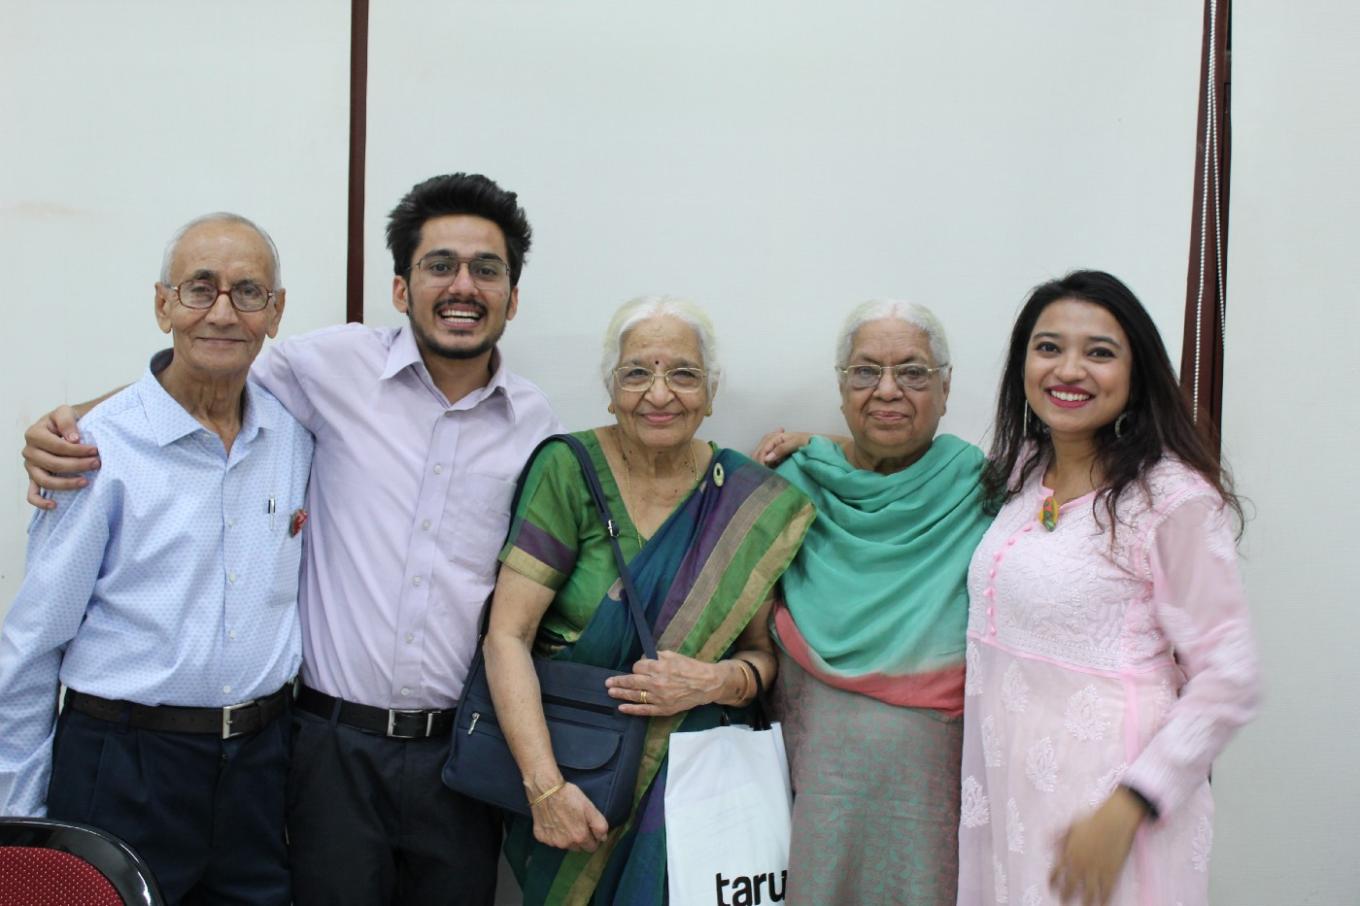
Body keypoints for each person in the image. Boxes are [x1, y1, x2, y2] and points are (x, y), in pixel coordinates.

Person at [19, 174, 561, 906]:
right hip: (278, 751)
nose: (461, 286)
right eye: (439, 265)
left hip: (418, 752)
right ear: (402, 289)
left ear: (511, 297)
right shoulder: (326, 372)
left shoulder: (538, 427)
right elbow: (199, 367)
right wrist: (69, 425)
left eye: (485, 270)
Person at [0, 214, 311, 904]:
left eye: (248, 291)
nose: (223, 312)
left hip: (261, 766)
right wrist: (18, 828)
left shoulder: (294, 436)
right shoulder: (95, 449)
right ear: (162, 303)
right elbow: (31, 646)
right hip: (124, 764)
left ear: (276, 311)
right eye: (200, 289)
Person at [482, 296, 815, 904]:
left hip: (699, 801)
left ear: (711, 394)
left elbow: (763, 660)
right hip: (576, 784)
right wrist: (545, 790)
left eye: (683, 374)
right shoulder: (569, 470)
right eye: (637, 372)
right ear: (611, 390)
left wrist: (711, 682)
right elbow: (507, 637)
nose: (659, 394)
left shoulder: (745, 501)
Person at [956, 271, 1260, 906]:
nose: (1069, 370)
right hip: (1010, 795)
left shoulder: (1171, 500)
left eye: (1099, 352)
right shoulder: (1021, 475)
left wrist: (1130, 806)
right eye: (1048, 348)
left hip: (1109, 804)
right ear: (1022, 365)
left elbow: (1229, 674)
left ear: (1136, 374)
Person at [751, 300, 992, 904]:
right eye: (865, 373)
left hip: (938, 789)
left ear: (946, 386)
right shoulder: (790, 487)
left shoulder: (981, 486)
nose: (888, 390)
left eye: (912, 372)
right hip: (817, 784)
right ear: (840, 387)